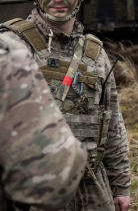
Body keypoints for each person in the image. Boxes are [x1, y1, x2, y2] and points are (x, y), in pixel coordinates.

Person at [0, 0, 131, 211]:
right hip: (32, 194)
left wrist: (120, 185)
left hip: (92, 187)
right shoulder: (10, 48)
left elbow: (113, 123)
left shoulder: (95, 55)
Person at [0, 33, 88, 209]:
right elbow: (54, 175)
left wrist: (121, 183)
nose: (57, 3)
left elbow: (112, 121)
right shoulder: (10, 53)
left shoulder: (93, 50)